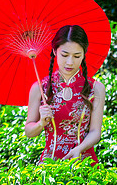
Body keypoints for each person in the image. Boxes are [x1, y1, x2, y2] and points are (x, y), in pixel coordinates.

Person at [24, 25, 105, 167]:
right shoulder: (39, 88)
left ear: (84, 54)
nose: (70, 62)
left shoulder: (96, 88)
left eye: (77, 56)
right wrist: (41, 123)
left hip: (84, 163)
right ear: (55, 51)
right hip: (50, 167)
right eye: (65, 55)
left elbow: (95, 132)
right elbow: (29, 131)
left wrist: (79, 149)